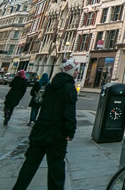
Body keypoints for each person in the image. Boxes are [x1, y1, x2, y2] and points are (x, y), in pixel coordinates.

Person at [11, 59, 79, 190]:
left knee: (29, 165)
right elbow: (69, 113)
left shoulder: (50, 86)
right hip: (56, 134)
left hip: (40, 130)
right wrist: (70, 131)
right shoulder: (69, 88)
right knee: (56, 170)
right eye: (76, 69)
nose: (78, 72)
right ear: (70, 71)